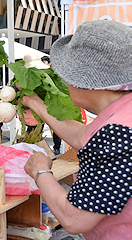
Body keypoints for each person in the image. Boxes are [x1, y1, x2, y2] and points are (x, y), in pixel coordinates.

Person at [22, 20, 132, 238]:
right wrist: (36, 104)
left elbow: (75, 218)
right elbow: (82, 136)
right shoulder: (121, 115)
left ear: (88, 82)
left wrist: (41, 172)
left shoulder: (119, 134)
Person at [41, 55, 62, 155]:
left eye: (44, 63)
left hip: (54, 105)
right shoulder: (41, 74)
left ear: (49, 63)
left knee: (56, 128)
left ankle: (57, 147)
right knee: (39, 127)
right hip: (43, 104)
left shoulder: (54, 74)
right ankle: (40, 146)